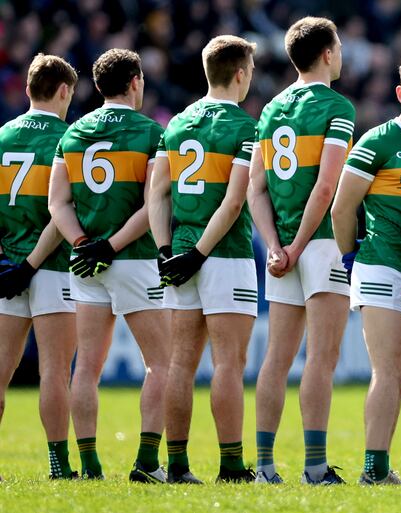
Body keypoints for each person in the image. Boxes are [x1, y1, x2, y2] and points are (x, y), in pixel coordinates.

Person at [48, 48, 170, 482]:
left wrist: (83, 242)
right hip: (133, 259)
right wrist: (112, 246)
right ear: (135, 82)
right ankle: (147, 462)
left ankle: (91, 464)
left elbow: (57, 203)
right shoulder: (151, 132)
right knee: (162, 363)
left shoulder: (73, 133)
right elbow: (153, 204)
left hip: (84, 264)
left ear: (98, 86)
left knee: (86, 368)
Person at [331, 54, 401, 485]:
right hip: (381, 265)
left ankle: (381, 463)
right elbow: (343, 208)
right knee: (388, 370)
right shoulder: (378, 141)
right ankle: (373, 468)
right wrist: (349, 257)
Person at [248, 16, 354, 485]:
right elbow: (328, 184)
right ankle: (314, 466)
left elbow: (256, 189)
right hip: (321, 244)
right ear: (327, 54)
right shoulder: (337, 106)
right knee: (321, 359)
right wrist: (298, 245)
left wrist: (274, 246)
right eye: (340, 47)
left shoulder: (270, 108)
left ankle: (265, 467)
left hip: (281, 248)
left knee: (276, 358)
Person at [149, 35, 258, 484]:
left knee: (180, 362)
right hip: (223, 254)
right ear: (240, 73)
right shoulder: (244, 127)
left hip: (178, 253)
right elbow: (233, 204)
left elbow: (156, 194)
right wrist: (199, 254)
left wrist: (165, 250)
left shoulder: (175, 123)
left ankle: (176, 465)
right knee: (228, 363)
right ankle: (231, 466)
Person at [0, 54, 77, 480]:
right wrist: (30, 265)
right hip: (49, 266)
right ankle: (58, 464)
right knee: (54, 371)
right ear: (64, 91)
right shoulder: (67, 140)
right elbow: (60, 213)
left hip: (6, 266)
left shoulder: (2, 136)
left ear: (28, 90)